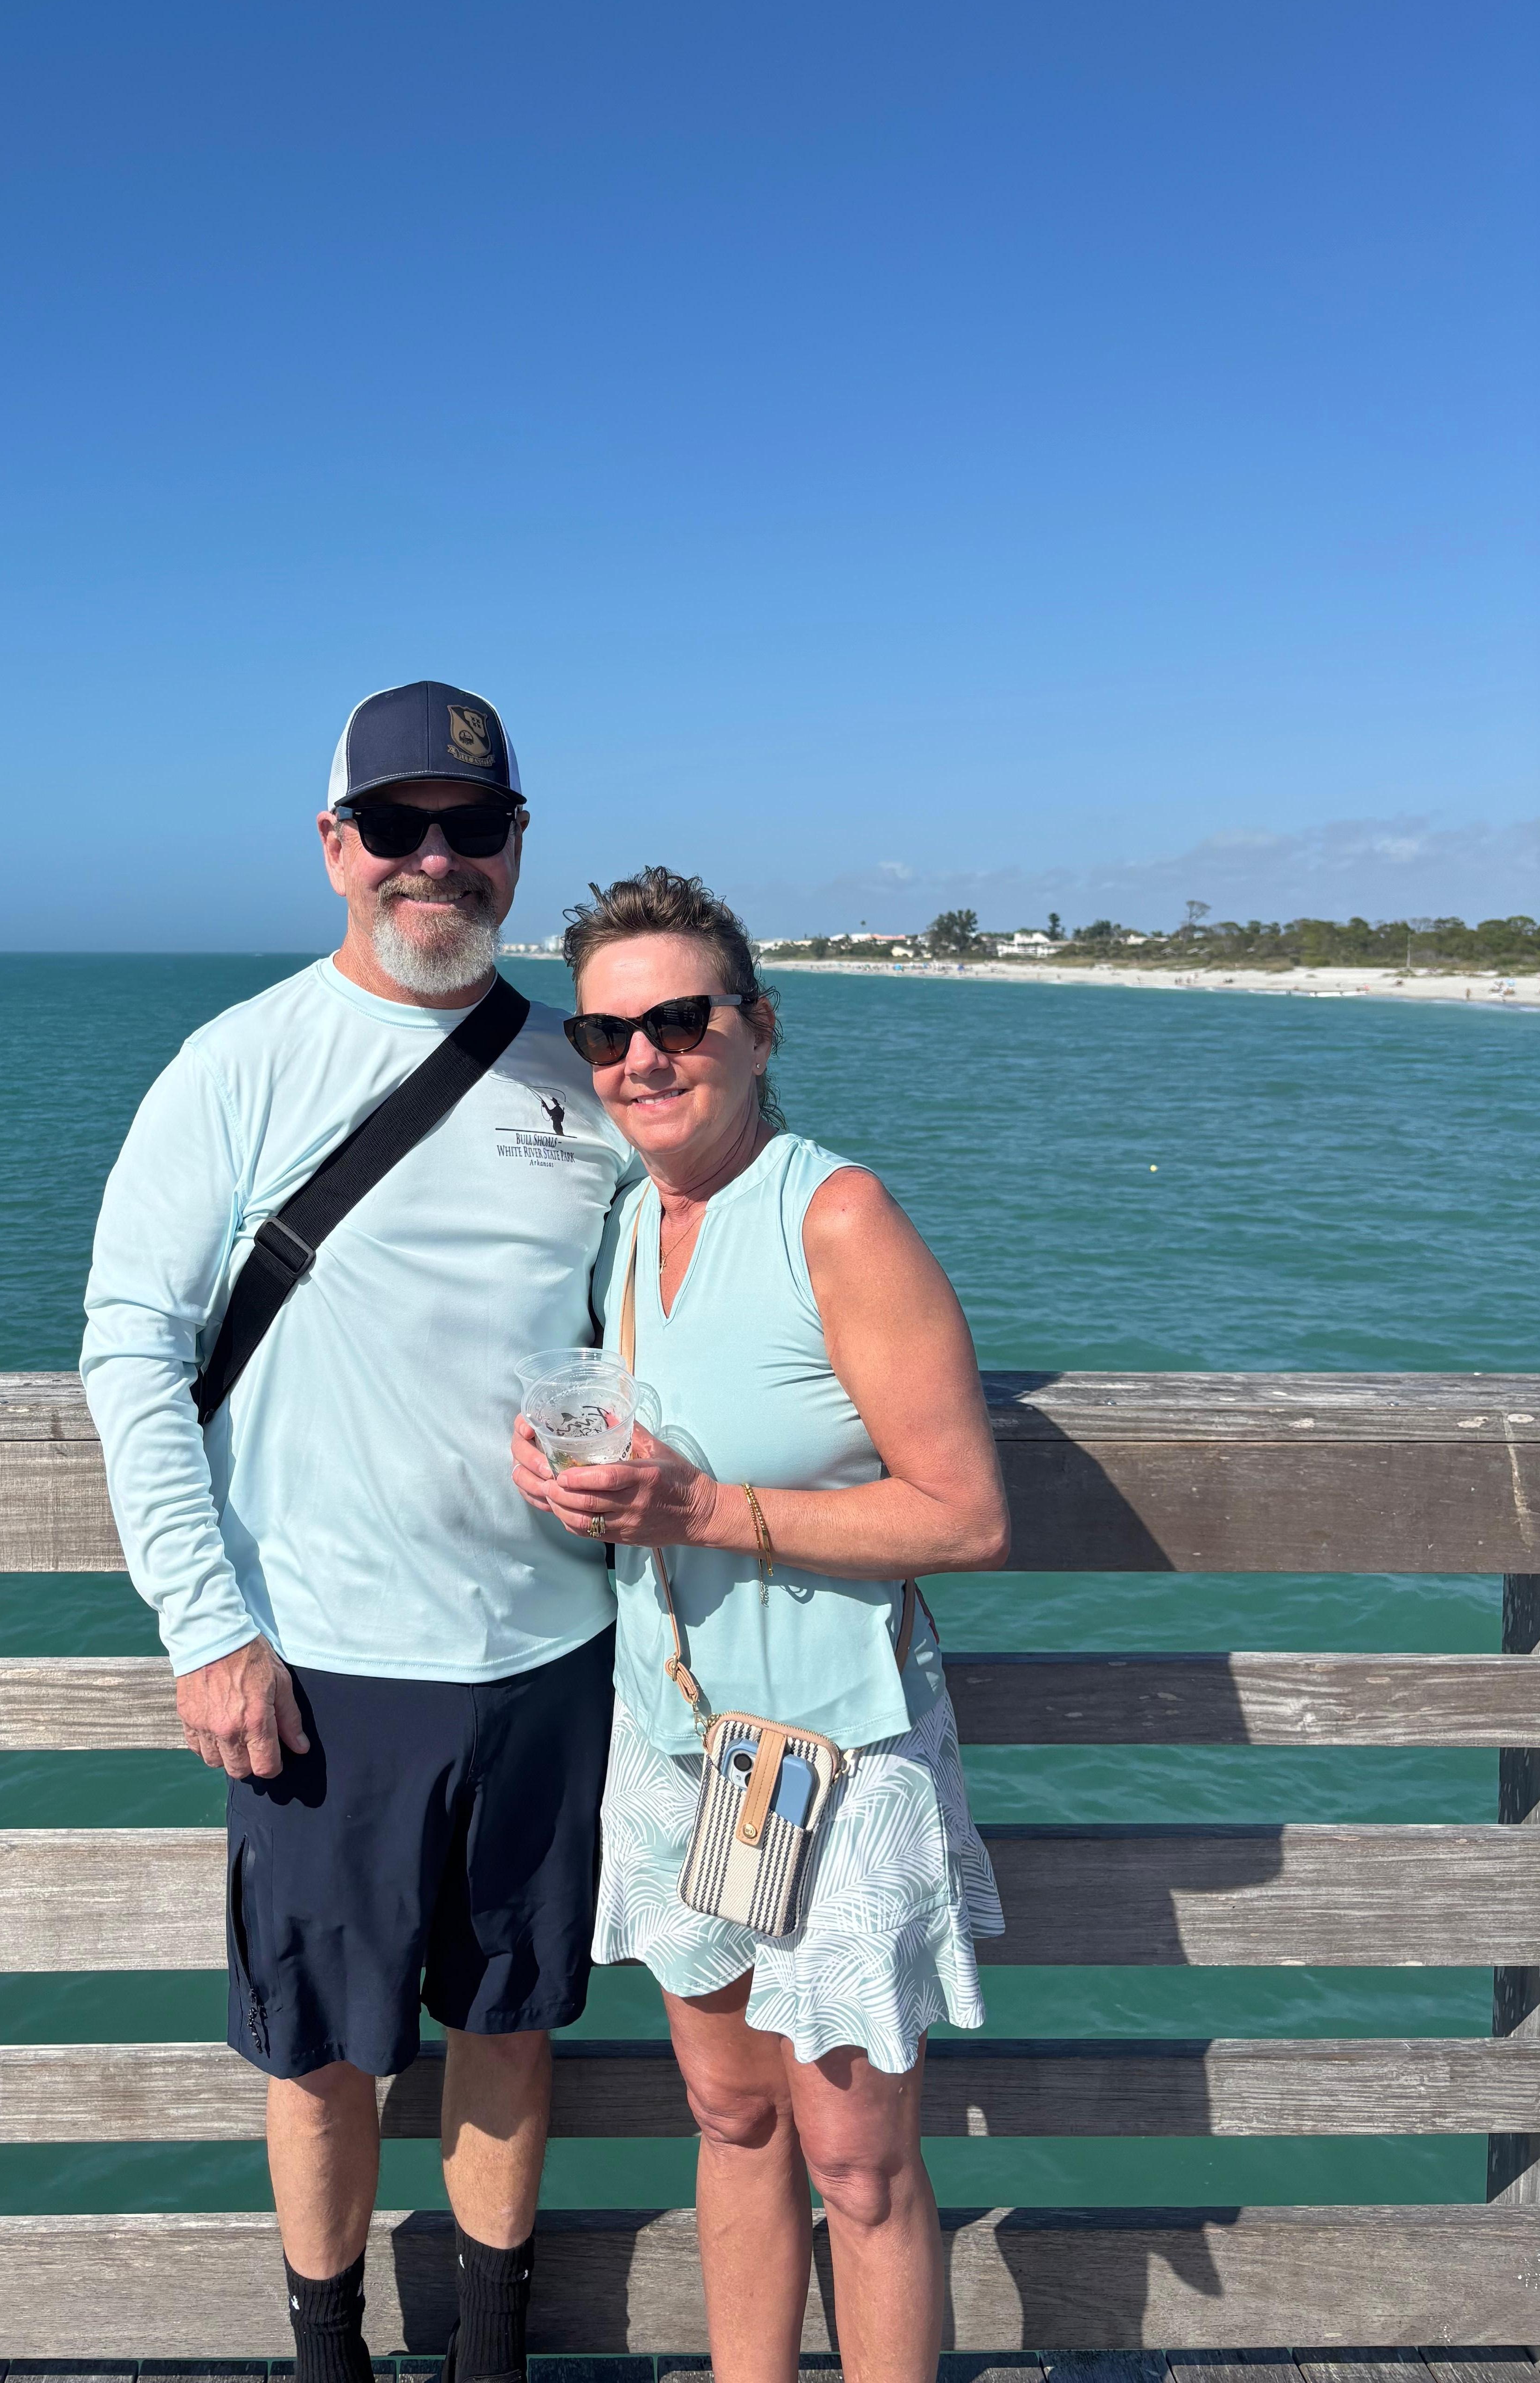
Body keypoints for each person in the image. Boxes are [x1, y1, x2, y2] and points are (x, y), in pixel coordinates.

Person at [82, 681, 640, 2383]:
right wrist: (207, 1629)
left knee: (510, 2028)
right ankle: (326, 2360)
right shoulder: (237, 1063)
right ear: (335, 848)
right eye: (394, 828)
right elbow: (129, 1350)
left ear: (516, 851)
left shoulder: (584, 1076)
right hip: (316, 1665)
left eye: (471, 830)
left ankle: (489, 2359)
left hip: (553, 1657)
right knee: (321, 2055)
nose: (435, 861)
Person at [511, 866, 1009, 2383]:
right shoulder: (619, 1227)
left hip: (834, 1764)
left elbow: (965, 1517)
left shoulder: (834, 1215)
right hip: (677, 1754)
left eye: (678, 1019)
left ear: (758, 1027)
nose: (641, 1060)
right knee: (728, 2119)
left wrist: (708, 1511)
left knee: (857, 2168)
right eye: (604, 1036)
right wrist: (549, 1478)